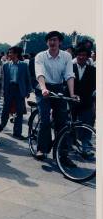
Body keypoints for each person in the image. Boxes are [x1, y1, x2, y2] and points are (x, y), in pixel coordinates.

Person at [34, 31, 77, 161]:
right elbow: (40, 73)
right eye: (50, 40)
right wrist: (43, 89)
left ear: (60, 42)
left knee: (62, 122)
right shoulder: (40, 56)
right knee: (45, 120)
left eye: (55, 40)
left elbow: (69, 75)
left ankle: (62, 154)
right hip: (44, 87)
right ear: (47, 42)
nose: (52, 43)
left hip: (58, 87)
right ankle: (41, 148)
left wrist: (72, 93)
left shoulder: (66, 56)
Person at [0, 46, 31, 140]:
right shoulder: (5, 65)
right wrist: (2, 91)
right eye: (8, 53)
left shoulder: (24, 65)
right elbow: (3, 80)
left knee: (19, 111)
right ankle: (2, 125)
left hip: (19, 89)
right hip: (9, 89)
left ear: (16, 54)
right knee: (5, 109)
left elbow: (27, 78)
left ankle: (17, 132)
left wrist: (28, 90)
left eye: (11, 53)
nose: (9, 54)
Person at [72, 45, 96, 155]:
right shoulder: (70, 67)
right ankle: (69, 146)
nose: (81, 57)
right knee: (70, 124)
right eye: (79, 55)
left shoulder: (93, 70)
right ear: (76, 56)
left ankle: (85, 147)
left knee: (87, 124)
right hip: (71, 100)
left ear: (87, 57)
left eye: (84, 55)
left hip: (86, 101)